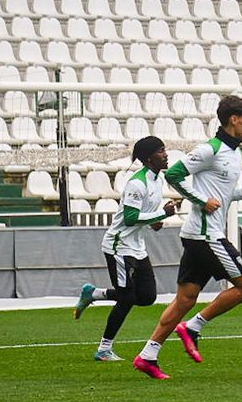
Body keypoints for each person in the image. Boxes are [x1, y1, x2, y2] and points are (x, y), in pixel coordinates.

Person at [132, 95, 242, 380]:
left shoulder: (233, 154)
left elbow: (223, 197)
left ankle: (147, 355)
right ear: (233, 120)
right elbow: (174, 175)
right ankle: (194, 327)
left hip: (197, 235)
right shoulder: (210, 149)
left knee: (185, 299)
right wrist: (201, 200)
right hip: (206, 236)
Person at [74, 136, 179, 361]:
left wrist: (156, 222)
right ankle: (103, 349)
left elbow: (144, 214)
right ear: (150, 158)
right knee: (127, 297)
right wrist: (163, 214)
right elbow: (130, 219)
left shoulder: (157, 181)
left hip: (137, 247)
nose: (166, 154)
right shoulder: (137, 183)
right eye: (161, 151)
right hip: (119, 246)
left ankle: (94, 294)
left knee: (147, 296)